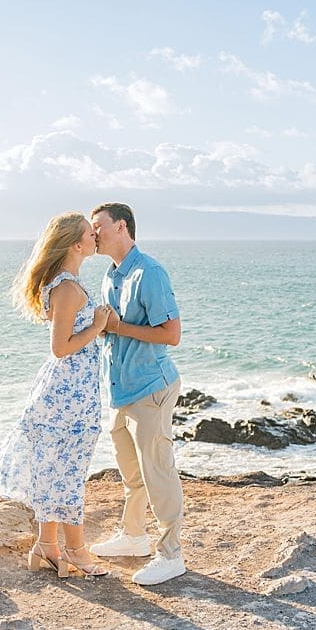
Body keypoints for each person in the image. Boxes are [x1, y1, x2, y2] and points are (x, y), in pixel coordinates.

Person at [0, 211, 115, 578]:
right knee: (69, 473)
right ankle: (75, 551)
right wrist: (97, 325)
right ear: (76, 245)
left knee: (55, 471)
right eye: (88, 233)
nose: (95, 235)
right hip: (67, 394)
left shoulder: (69, 284)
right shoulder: (66, 288)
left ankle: (47, 547)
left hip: (70, 390)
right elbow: (61, 348)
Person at [88, 202, 186, 585]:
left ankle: (170, 554)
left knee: (157, 471)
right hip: (122, 390)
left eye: (99, 226)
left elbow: (171, 335)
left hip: (151, 387)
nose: (93, 234)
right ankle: (134, 536)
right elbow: (113, 330)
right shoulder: (111, 276)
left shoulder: (150, 273)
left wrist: (116, 326)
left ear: (122, 227)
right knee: (132, 473)